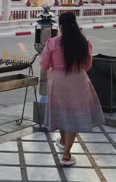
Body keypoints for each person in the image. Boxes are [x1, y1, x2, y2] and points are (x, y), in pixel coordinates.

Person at [40, 12, 105, 166]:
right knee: (73, 115)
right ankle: (66, 154)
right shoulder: (84, 42)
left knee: (61, 111)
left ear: (61, 27)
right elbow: (88, 65)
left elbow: (44, 65)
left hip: (58, 81)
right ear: (74, 25)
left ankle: (64, 144)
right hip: (78, 81)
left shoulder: (52, 43)